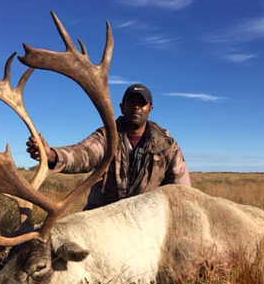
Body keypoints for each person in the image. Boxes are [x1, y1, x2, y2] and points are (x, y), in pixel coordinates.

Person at [26, 84, 191, 210]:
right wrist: (52, 155)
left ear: (150, 109)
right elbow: (84, 153)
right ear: (121, 107)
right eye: (131, 101)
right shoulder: (106, 136)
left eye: (142, 103)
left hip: (145, 225)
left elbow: (182, 192)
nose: (136, 106)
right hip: (101, 217)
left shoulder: (167, 145)